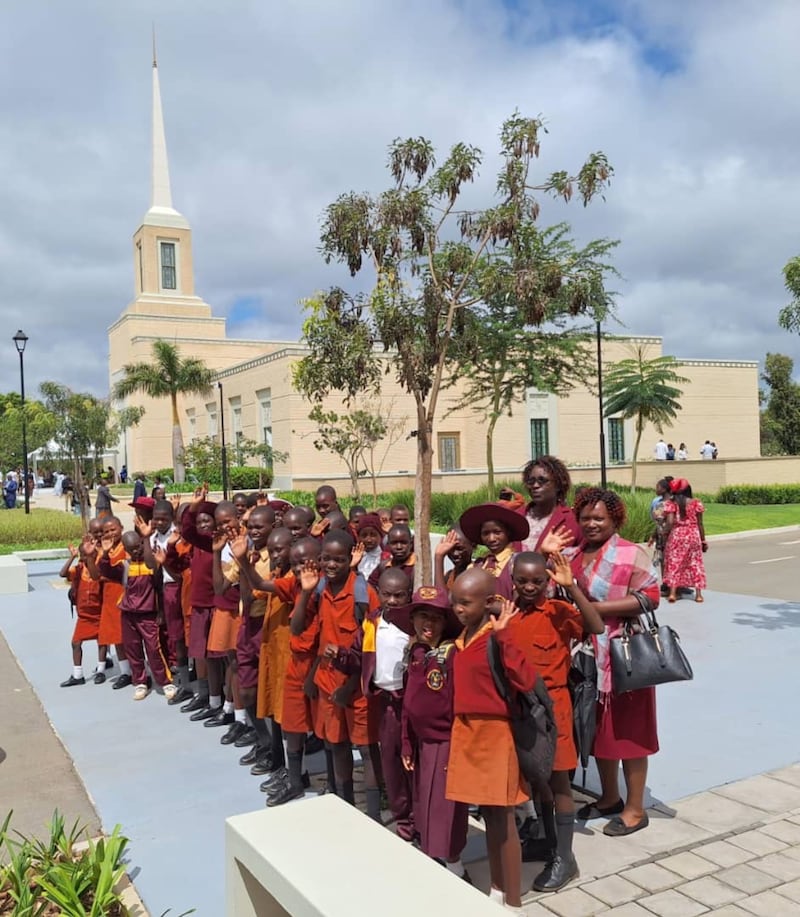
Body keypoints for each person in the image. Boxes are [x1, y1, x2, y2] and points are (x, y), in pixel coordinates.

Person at [566, 488, 661, 837]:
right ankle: (609, 797)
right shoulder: (572, 556)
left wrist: (593, 610)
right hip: (585, 657)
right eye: (586, 517)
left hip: (624, 655)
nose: (591, 524)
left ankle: (636, 808)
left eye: (599, 518)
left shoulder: (630, 554)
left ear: (614, 520)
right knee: (597, 729)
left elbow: (650, 598)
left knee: (630, 731)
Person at [508, 552, 604, 891]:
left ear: (548, 581)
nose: (530, 586)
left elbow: (596, 627)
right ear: (513, 579)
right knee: (537, 779)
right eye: (523, 580)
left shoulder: (558, 612)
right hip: (521, 710)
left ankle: (566, 857)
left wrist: (572, 587)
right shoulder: (508, 614)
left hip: (553, 708)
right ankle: (547, 842)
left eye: (538, 581)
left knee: (559, 781)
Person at [445, 569, 536, 912]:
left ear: (488, 603)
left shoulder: (497, 636)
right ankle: (497, 888)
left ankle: (512, 899)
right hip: (467, 732)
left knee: (504, 819)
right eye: (455, 601)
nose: (457, 609)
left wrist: (506, 635)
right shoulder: (464, 636)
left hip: (494, 734)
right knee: (490, 817)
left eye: (465, 603)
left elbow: (525, 680)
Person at [329, 567, 414, 838]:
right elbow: (358, 657)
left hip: (410, 703)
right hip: (385, 703)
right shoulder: (371, 623)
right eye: (387, 595)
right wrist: (340, 656)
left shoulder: (416, 624)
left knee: (414, 764)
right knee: (390, 762)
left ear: (408, 595)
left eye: (399, 596)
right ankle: (404, 821)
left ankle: (421, 819)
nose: (392, 601)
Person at [301, 530, 382, 813]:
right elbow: (308, 632)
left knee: (366, 749)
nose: (331, 565)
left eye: (338, 559)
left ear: (351, 559)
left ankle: (373, 813)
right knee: (336, 745)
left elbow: (374, 647)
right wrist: (312, 675)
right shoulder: (320, 590)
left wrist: (349, 687)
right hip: (327, 684)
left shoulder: (364, 594)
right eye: (326, 559)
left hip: (357, 687)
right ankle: (346, 805)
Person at [393, 586, 469, 880]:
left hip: (446, 742)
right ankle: (433, 856)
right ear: (412, 620)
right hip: (422, 744)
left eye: (436, 618)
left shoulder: (450, 655)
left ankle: (456, 868)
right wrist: (406, 744)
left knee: (446, 809)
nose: (428, 623)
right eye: (422, 616)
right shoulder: (415, 652)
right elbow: (408, 705)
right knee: (424, 804)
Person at [98, 530, 175, 701]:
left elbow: (160, 590)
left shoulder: (152, 565)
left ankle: (165, 681)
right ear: (125, 549)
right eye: (131, 549)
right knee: (133, 649)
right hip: (128, 614)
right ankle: (140, 682)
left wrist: (161, 611)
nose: (136, 551)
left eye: (138, 546)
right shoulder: (124, 566)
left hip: (148, 615)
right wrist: (104, 553)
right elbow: (105, 570)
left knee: (154, 649)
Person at [59, 520, 112, 687]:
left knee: (102, 642)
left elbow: (99, 575)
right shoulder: (78, 570)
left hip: (99, 612)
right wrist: (73, 557)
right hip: (84, 616)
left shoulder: (97, 568)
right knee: (76, 642)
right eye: (82, 556)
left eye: (86, 555)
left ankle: (101, 670)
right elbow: (62, 574)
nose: (84, 558)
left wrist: (92, 554)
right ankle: (77, 674)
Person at [85, 516, 131, 687]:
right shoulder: (103, 550)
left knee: (129, 637)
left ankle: (137, 670)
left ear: (121, 528)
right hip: (109, 596)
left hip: (124, 593)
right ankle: (126, 672)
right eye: (106, 532)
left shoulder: (126, 546)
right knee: (115, 636)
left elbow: (118, 571)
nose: (110, 533)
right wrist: (91, 557)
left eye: (113, 529)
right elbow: (96, 575)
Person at [458, 503, 530, 599]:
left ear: (508, 532)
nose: (491, 538)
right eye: (486, 533)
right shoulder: (476, 566)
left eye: (497, 532)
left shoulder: (518, 564)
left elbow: (518, 605)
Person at [517, 456, 582, 554]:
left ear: (558, 485)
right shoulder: (516, 516)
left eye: (542, 481)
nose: (535, 486)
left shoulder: (572, 520)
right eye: (531, 481)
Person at [662, 478, 707, 603]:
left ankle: (672, 593)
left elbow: (670, 522)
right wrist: (703, 541)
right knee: (695, 563)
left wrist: (665, 532)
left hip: (677, 535)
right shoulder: (696, 503)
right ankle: (698, 595)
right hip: (693, 535)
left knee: (675, 563)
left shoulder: (672, 504)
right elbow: (700, 524)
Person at [368, 523, 416, 589]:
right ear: (388, 545)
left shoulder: (416, 569)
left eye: (403, 542)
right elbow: (370, 587)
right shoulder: (383, 566)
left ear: (410, 544)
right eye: (394, 543)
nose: (399, 547)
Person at [433, 526, 473, 590]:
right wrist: (439, 556)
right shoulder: (448, 576)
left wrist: (439, 558)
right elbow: (438, 597)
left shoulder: (476, 575)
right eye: (450, 549)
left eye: (460, 549)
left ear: (473, 546)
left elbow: (442, 598)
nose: (455, 554)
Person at [352, 513, 384, 581]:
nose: (369, 540)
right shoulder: (355, 555)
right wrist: (353, 565)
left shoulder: (385, 557)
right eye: (364, 535)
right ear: (358, 537)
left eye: (373, 535)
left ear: (380, 536)